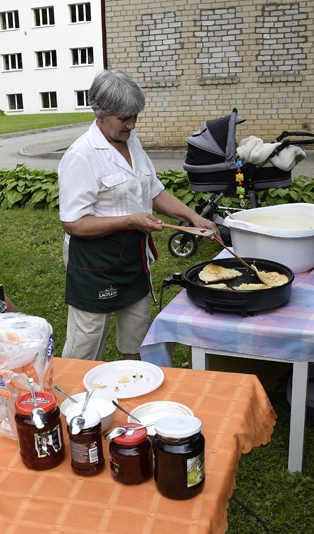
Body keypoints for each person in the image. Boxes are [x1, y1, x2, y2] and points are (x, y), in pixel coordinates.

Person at [57, 69, 218, 361]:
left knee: (138, 338)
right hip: (94, 263)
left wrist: (193, 217)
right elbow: (73, 223)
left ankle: (137, 391)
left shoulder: (132, 141)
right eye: (123, 119)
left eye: (134, 117)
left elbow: (154, 192)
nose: (131, 125)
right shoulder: (81, 156)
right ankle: (72, 398)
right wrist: (131, 220)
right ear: (98, 111)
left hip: (133, 259)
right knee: (85, 347)